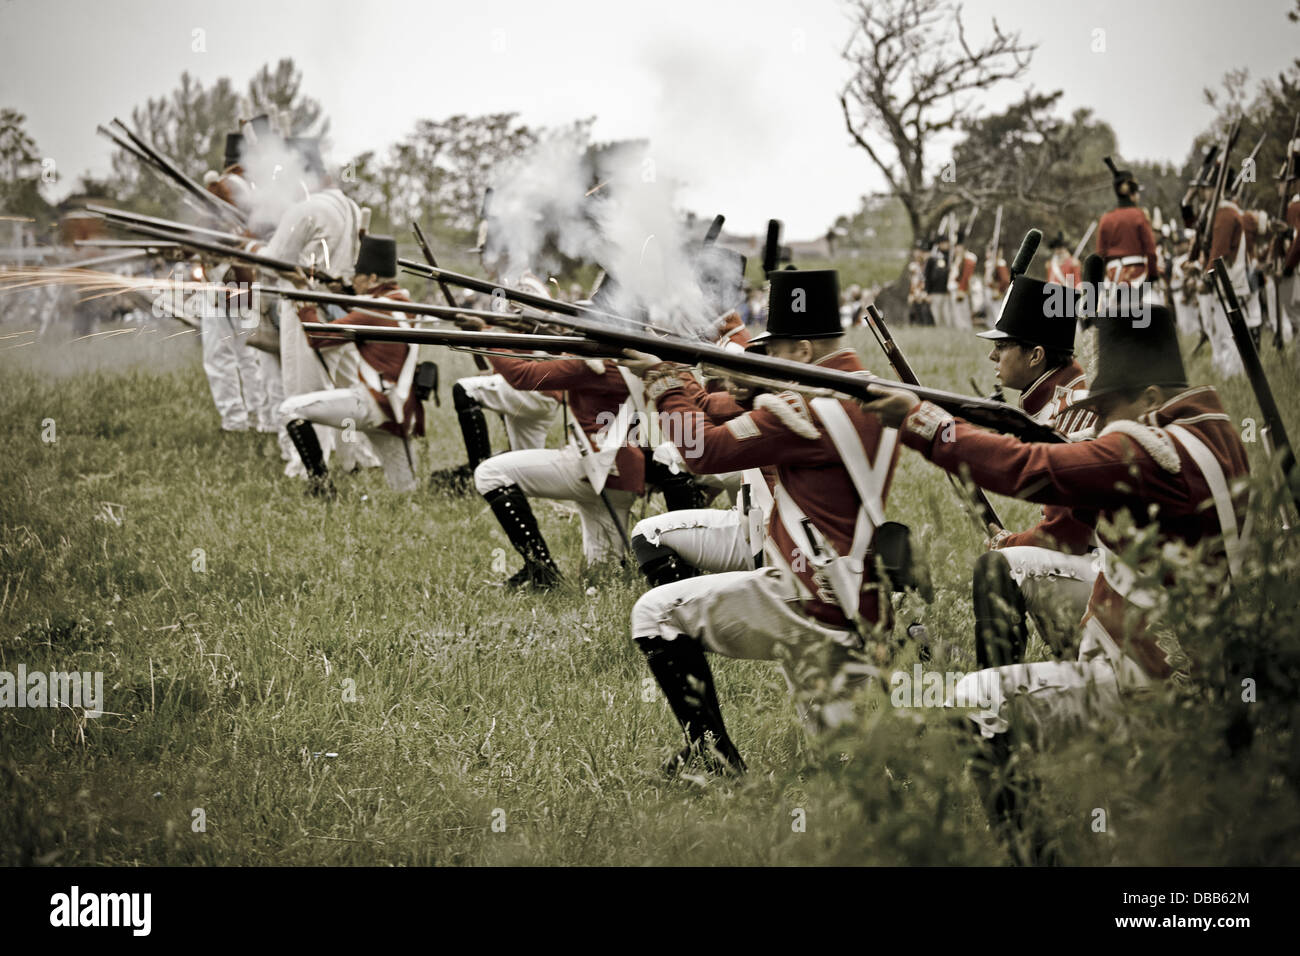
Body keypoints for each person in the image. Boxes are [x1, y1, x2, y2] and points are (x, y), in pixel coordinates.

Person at [861, 302, 1249, 858]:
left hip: (1152, 681)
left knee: (975, 700)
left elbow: (1030, 469)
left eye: (1109, 408)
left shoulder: (1151, 450)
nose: (1101, 424)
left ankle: (1035, 857)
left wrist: (924, 423)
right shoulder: (1213, 435)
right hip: (1201, 668)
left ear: (1150, 401)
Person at [623, 270, 901, 775]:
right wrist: (700, 380)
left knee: (654, 613)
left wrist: (662, 380)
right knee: (840, 764)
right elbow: (717, 406)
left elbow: (699, 451)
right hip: (860, 598)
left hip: (807, 599)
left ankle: (713, 760)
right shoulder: (867, 392)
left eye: (775, 351)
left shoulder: (801, 408)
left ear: (800, 352)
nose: (766, 358)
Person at [972, 271, 1098, 665]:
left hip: (1113, 578)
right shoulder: (1062, 401)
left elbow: (1069, 535)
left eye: (1003, 346)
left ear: (1036, 355)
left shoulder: (1076, 412)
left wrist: (1007, 543)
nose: (993, 356)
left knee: (997, 568)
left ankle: (996, 705)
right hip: (1105, 568)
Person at [278, 235, 424, 493]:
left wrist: (304, 302)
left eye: (357, 276)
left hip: (372, 403)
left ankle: (321, 487)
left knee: (291, 410)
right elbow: (366, 314)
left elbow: (318, 338)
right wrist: (342, 295)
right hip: (399, 411)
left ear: (372, 279)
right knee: (407, 491)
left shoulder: (373, 311)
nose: (352, 281)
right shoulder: (404, 304)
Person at [1096, 159, 1158, 293]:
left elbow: (1100, 255)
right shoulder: (1139, 215)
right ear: (1133, 194)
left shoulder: (1105, 219)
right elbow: (1151, 251)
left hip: (1112, 278)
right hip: (1137, 276)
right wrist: (1153, 275)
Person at [948, 231, 977, 330]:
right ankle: (960, 329)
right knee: (957, 312)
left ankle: (966, 328)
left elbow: (966, 276)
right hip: (956, 287)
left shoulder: (968, 258)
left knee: (963, 311)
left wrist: (962, 289)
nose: (956, 248)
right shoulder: (958, 258)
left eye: (957, 246)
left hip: (962, 289)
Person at [924, 235, 952, 327]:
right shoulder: (933, 258)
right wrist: (928, 292)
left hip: (946, 291)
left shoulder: (950, 257)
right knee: (937, 315)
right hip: (935, 292)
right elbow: (927, 276)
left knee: (947, 315)